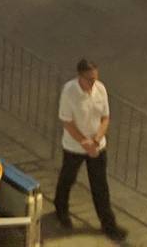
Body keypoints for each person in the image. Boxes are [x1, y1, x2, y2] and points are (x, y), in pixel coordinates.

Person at [54, 59, 123, 239]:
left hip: (97, 146)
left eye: (95, 78)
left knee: (100, 185)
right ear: (80, 76)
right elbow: (67, 121)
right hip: (74, 147)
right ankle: (61, 210)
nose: (93, 83)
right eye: (89, 79)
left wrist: (96, 140)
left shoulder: (100, 89)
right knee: (68, 179)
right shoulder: (69, 92)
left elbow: (105, 118)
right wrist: (85, 142)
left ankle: (109, 224)